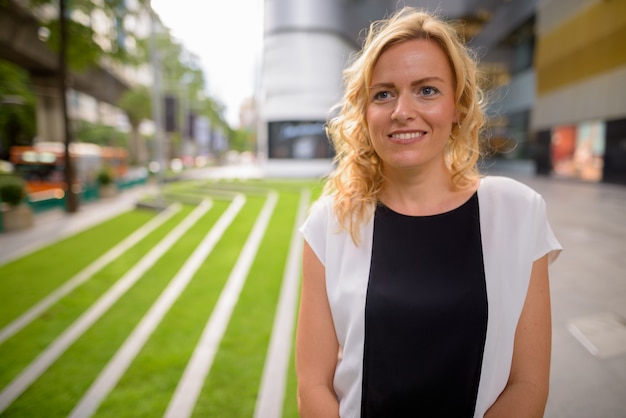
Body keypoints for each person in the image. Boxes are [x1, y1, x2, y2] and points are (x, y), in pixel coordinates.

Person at [296, 7, 562, 418]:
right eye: (383, 93)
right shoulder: (330, 222)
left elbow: (528, 384)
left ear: (457, 106)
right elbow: (313, 385)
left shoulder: (517, 212)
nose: (402, 110)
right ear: (365, 112)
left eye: (427, 90)